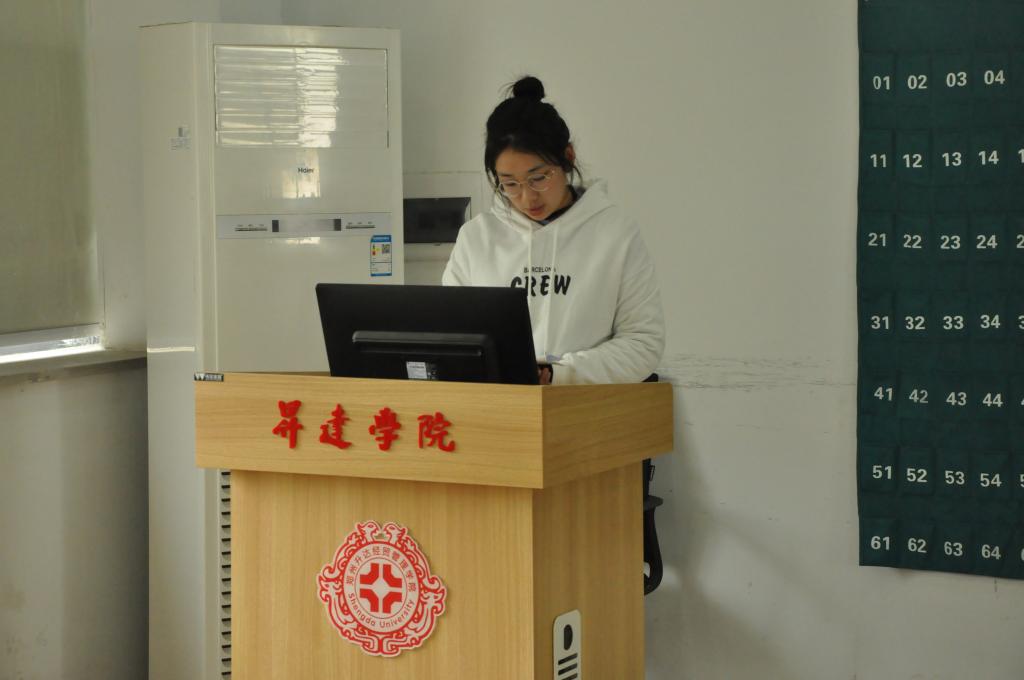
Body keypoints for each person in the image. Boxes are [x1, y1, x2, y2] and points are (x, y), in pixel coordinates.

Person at [442, 75, 664, 385]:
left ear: (568, 157)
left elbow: (642, 344)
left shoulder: (615, 233)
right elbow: (451, 341)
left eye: (539, 178)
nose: (527, 197)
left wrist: (558, 374)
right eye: (510, 184)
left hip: (585, 408)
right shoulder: (476, 239)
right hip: (501, 408)